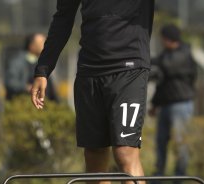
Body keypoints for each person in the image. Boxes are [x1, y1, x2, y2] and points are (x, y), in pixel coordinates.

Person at [31, 0, 155, 182]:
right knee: (94, 154)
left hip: (129, 69)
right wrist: (43, 70)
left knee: (125, 152)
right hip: (89, 72)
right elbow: (62, 19)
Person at [149, 24, 197, 183]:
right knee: (161, 141)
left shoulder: (184, 53)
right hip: (166, 105)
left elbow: (167, 66)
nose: (161, 41)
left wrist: (150, 61)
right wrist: (155, 105)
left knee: (180, 143)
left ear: (169, 39)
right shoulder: (167, 55)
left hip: (181, 105)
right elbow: (161, 84)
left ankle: (179, 177)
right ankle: (159, 175)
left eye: (163, 38)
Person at [5, 33, 59, 102]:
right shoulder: (17, 62)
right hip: (23, 104)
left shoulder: (42, 63)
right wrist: (27, 88)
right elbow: (10, 82)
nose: (45, 45)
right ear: (31, 46)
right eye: (42, 42)